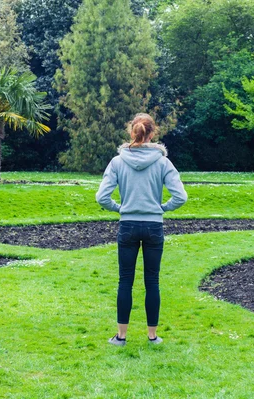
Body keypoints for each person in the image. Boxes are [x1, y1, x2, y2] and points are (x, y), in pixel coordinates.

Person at [96, 113, 188, 346]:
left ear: (132, 132)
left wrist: (121, 208)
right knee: (152, 281)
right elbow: (180, 196)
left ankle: (121, 337)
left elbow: (101, 197)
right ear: (152, 133)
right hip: (153, 226)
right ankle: (152, 336)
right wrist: (161, 208)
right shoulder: (162, 162)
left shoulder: (117, 161)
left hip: (127, 225)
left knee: (125, 280)